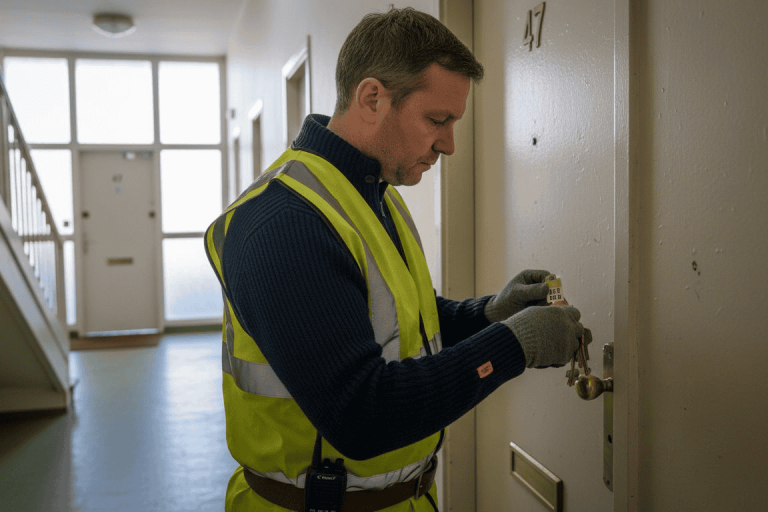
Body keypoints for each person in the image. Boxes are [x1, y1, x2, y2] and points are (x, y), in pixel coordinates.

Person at [204, 7, 591, 512]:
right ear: (371, 98)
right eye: (437, 120)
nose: (449, 145)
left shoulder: (372, 193)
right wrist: (512, 345)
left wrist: (488, 314)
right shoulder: (284, 224)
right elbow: (360, 413)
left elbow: (398, 322)